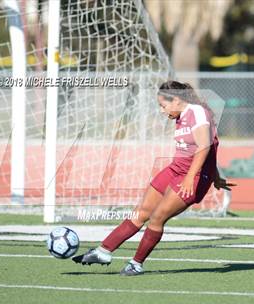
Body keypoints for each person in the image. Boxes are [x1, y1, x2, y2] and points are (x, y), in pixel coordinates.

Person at [73, 80, 235, 275]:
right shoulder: (180, 115)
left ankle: (136, 264)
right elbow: (209, 147)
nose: (161, 110)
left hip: (194, 176)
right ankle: (103, 251)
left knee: (157, 217)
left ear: (175, 100)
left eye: (163, 105)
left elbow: (205, 147)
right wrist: (216, 177)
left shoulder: (197, 112)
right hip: (176, 170)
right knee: (140, 212)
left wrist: (199, 177)